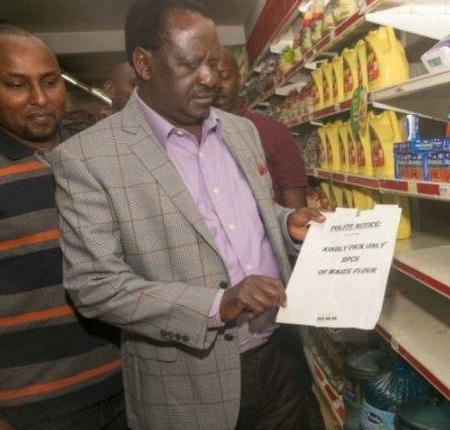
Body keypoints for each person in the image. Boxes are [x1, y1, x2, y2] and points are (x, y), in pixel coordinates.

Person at [50, 1, 324, 429]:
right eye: (192, 64)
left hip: (280, 357)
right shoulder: (88, 158)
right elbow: (94, 286)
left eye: (214, 62)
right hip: (187, 388)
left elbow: (247, 213)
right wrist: (219, 304)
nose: (211, 79)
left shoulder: (241, 131)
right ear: (143, 63)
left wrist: (284, 223)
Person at [0, 25, 124, 430]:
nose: (39, 99)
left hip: (126, 386)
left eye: (50, 82)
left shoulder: (96, 153)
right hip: (35, 409)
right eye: (16, 85)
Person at [215, 47, 308, 208]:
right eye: (210, 79)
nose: (217, 86)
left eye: (225, 77)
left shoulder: (273, 133)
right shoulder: (195, 137)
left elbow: (297, 209)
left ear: (241, 78)